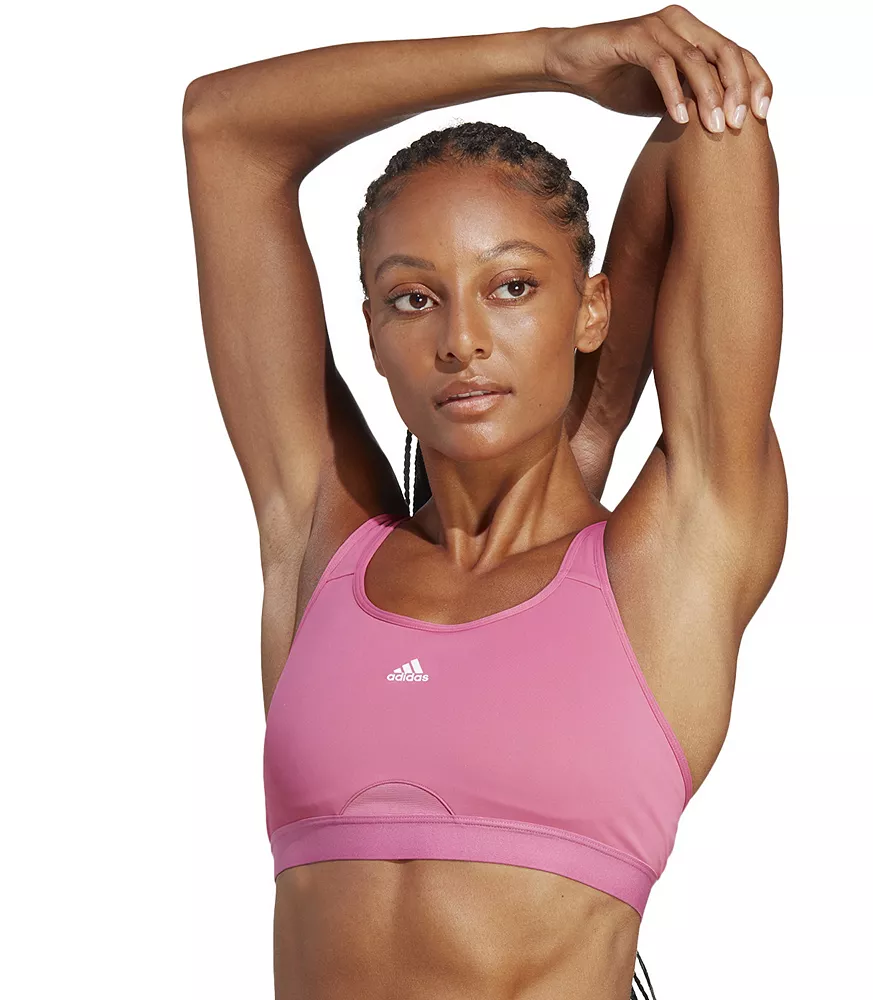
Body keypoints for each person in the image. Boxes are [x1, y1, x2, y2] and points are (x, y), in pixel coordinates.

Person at [182, 5, 786, 998]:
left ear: (592, 307)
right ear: (371, 333)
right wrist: (548, 59)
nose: (460, 339)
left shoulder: (670, 561)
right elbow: (225, 130)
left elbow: (710, 122)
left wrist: (591, 420)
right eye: (414, 298)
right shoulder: (319, 543)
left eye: (511, 287)